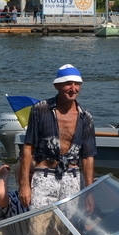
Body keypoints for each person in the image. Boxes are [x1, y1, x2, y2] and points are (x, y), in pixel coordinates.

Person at [18, 64, 96, 215]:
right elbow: (28, 148)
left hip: (72, 178)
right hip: (44, 176)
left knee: (67, 229)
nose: (73, 88)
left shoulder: (86, 117)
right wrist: (24, 184)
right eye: (68, 84)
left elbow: (88, 157)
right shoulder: (40, 109)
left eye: (77, 84)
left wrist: (89, 191)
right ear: (57, 86)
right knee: (38, 226)